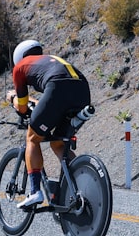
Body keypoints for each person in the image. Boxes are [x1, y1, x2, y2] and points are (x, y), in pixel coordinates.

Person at [6, 39, 92, 208]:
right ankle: (80, 187)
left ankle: (35, 192)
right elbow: (49, 101)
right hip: (82, 90)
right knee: (58, 143)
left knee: (32, 138)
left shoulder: (19, 67)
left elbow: (22, 108)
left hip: (57, 88)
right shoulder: (48, 60)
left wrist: (13, 97)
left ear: (18, 58)